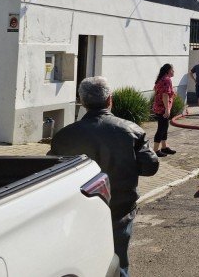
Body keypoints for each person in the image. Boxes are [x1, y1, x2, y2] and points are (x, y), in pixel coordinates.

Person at [49, 76, 159, 276]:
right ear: (110, 99)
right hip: (119, 209)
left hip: (77, 211)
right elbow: (150, 167)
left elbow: (49, 174)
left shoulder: (63, 136)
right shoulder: (131, 130)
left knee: (81, 263)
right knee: (118, 261)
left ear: (82, 101)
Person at [151, 64, 177, 157]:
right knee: (161, 128)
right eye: (172, 70)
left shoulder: (161, 79)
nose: (174, 71)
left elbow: (156, 90)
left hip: (159, 107)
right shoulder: (166, 79)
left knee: (164, 127)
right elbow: (165, 95)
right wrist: (167, 109)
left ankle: (164, 147)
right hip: (162, 108)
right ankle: (155, 150)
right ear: (168, 71)